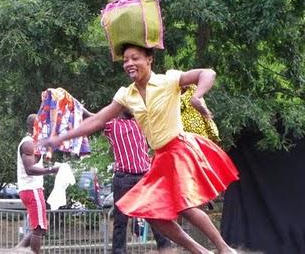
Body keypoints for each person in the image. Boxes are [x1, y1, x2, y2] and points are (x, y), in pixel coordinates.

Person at [41, 44, 239, 254]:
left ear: (149, 59)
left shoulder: (168, 80)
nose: (129, 64)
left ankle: (224, 249)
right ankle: (202, 252)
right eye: (125, 60)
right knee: (154, 214)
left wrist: (196, 96)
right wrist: (60, 138)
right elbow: (98, 119)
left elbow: (207, 73)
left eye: (135, 58)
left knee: (185, 207)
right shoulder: (127, 95)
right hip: (160, 157)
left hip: (180, 149)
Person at [103, 110, 172, 253]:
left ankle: (166, 248)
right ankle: (119, 252)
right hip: (124, 177)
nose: (133, 106)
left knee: (155, 215)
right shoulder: (112, 125)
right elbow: (94, 118)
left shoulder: (140, 122)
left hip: (144, 176)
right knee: (120, 221)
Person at [15, 114, 59, 254]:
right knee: (39, 229)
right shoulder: (28, 143)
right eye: (41, 125)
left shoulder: (34, 143)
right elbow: (29, 170)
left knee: (38, 228)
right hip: (31, 189)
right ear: (34, 126)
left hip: (30, 189)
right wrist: (52, 170)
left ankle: (16, 250)